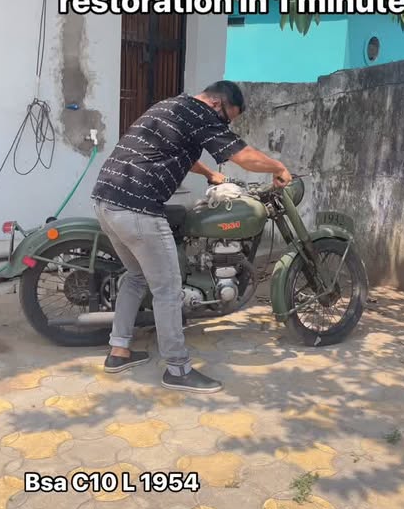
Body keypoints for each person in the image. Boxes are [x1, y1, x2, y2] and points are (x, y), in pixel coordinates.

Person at [91, 81, 292, 393]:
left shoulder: (171, 106)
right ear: (217, 104)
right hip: (138, 209)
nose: (225, 126)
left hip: (106, 201)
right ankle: (178, 369)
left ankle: (119, 352)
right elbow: (243, 156)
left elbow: (177, 151)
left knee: (136, 277)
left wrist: (209, 174)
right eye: (227, 119)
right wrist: (278, 168)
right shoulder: (201, 113)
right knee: (168, 290)